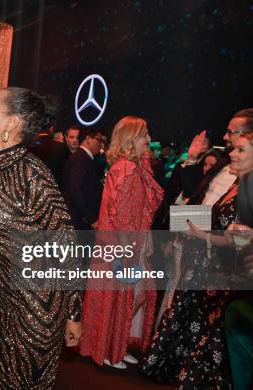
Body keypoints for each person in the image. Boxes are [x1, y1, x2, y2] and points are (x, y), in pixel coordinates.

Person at [0, 87, 82, 389]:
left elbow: (65, 244)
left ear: (12, 123)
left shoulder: (32, 174)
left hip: (35, 308)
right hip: (3, 299)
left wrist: (74, 314)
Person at [140, 131, 253, 389]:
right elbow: (222, 224)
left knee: (210, 344)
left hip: (227, 276)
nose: (232, 153)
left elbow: (241, 241)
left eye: (240, 149)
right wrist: (192, 227)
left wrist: (207, 236)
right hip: (205, 265)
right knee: (191, 328)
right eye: (233, 148)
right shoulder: (238, 184)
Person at [80, 116, 164, 369]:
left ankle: (117, 344)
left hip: (128, 243)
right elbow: (123, 215)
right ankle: (108, 348)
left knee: (134, 294)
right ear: (132, 138)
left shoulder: (132, 166)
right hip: (122, 245)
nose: (149, 139)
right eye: (144, 135)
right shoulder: (126, 169)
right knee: (123, 295)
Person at [62, 127, 104, 230]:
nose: (101, 144)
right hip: (81, 223)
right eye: (99, 140)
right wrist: (92, 218)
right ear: (88, 139)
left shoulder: (83, 158)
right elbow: (75, 191)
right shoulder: (80, 159)